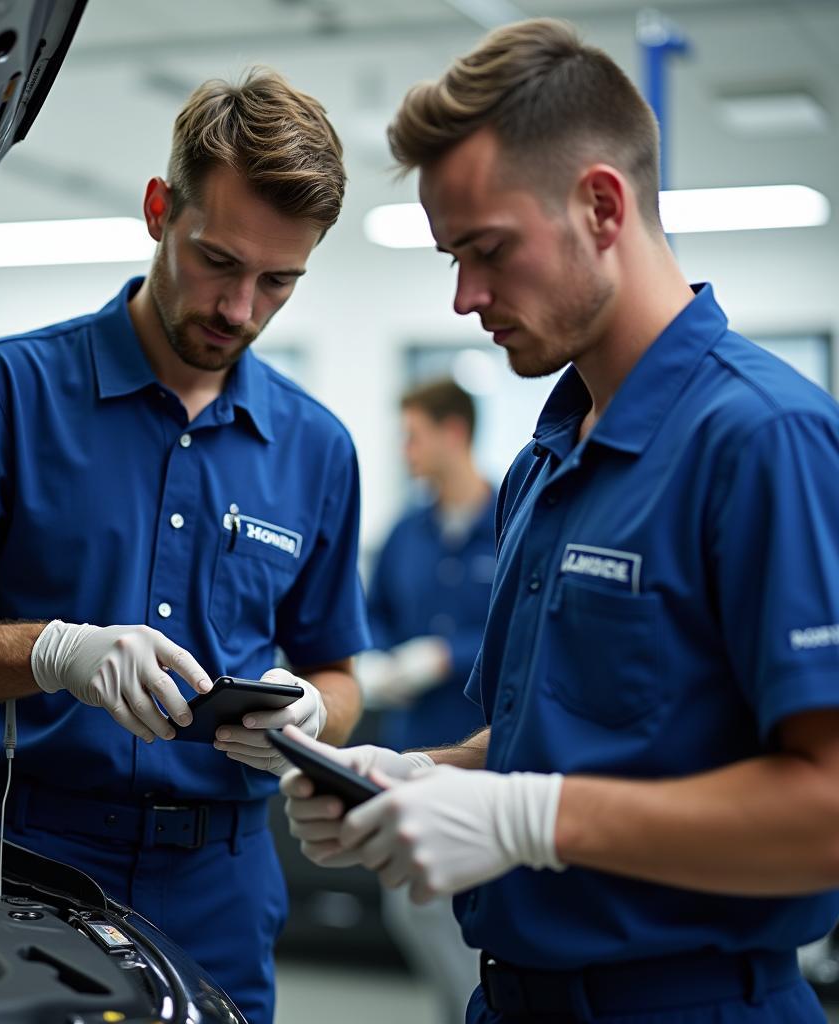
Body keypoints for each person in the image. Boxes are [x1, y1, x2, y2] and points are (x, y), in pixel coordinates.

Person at [280, 18, 839, 1024]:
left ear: (600, 205)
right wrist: (409, 775)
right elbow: (553, 739)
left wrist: (532, 817)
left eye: (487, 251)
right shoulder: (549, 460)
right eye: (452, 257)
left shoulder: (763, 439)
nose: (464, 298)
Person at [0, 68, 369, 1024]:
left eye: (279, 281)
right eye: (219, 261)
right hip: (22, 859)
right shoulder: (3, 394)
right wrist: (53, 652)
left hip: (226, 883)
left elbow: (339, 667)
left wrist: (312, 714)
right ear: (159, 210)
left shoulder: (319, 448)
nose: (241, 310)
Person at [360, 377, 491, 1023]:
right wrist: (381, 658)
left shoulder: (512, 521)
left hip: (489, 759)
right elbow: (374, 611)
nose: (405, 450)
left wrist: (447, 655)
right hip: (416, 749)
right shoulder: (406, 532)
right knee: (412, 907)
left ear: (454, 432)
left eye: (414, 435)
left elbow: (526, 629)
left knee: (481, 925)